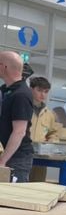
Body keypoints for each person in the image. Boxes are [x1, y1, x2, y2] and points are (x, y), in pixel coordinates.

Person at [0, 51, 35, 183]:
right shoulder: (5, 91)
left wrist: (3, 161)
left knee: (11, 199)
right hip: (5, 154)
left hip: (16, 158)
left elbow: (19, 131)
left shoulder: (21, 95)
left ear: (3, 67)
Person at [28, 77, 59, 143]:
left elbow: (53, 134)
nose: (43, 94)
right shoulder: (22, 108)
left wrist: (52, 140)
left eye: (46, 91)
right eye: (39, 90)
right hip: (21, 150)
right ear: (31, 90)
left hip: (39, 152)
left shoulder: (49, 114)